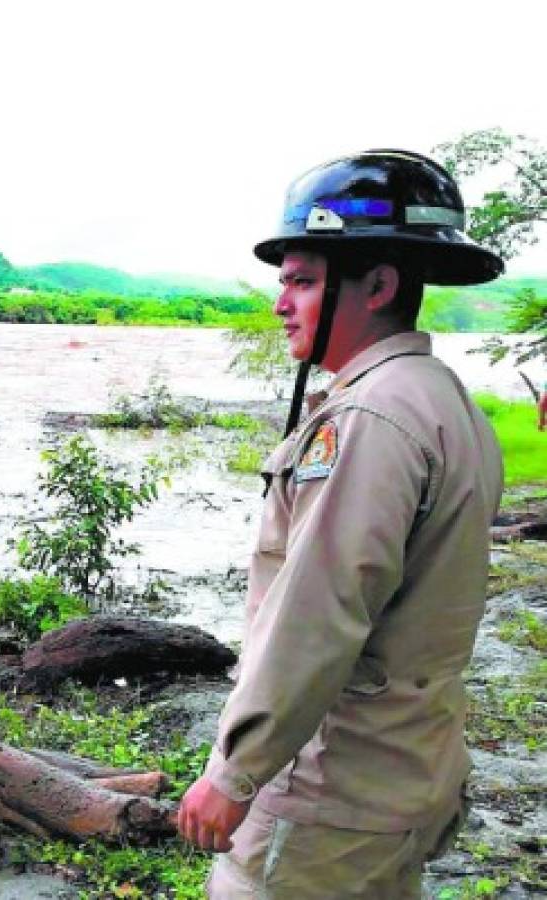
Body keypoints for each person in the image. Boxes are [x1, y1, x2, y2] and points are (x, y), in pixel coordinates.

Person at [177, 150, 505, 898]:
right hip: (405, 774)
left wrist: (235, 773)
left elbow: (319, 612)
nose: (279, 302)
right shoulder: (446, 402)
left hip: (329, 795)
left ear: (378, 285)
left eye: (300, 280)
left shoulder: (367, 419)